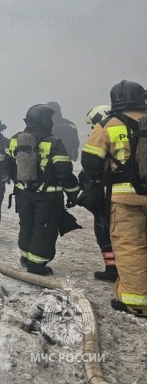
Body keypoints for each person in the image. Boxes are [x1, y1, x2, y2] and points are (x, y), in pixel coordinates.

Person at [81, 80, 147, 315]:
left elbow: (90, 161)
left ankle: (136, 301)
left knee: (131, 247)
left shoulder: (109, 124)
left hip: (125, 198)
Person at [5, 104, 79, 276]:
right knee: (44, 229)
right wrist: (73, 192)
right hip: (48, 197)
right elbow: (64, 171)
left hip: (23, 194)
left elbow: (8, 164)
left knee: (26, 225)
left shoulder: (16, 139)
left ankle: (25, 257)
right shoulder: (53, 142)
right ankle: (37, 265)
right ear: (46, 121)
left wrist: (20, 181)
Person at [77, 104, 117, 282]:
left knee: (104, 233)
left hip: (106, 195)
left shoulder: (103, 135)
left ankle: (112, 270)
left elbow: (91, 164)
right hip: (124, 193)